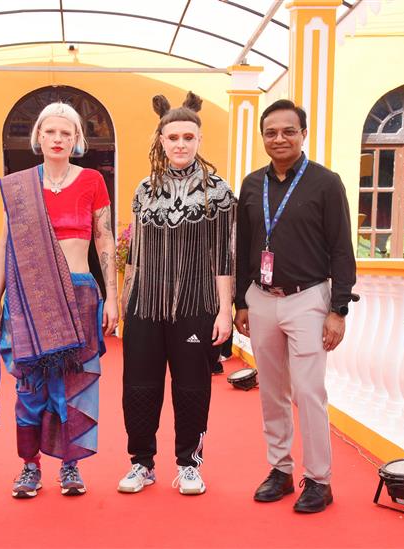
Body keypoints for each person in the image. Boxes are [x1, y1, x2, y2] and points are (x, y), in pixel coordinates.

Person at [0, 102, 118, 499]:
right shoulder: (20, 184)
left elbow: (104, 238)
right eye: (51, 132)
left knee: (73, 383)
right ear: (38, 137)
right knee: (30, 385)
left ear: (77, 139)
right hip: (27, 295)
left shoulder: (93, 179)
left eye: (67, 133)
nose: (58, 139)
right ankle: (29, 466)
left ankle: (70, 465)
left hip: (79, 290)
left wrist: (112, 295)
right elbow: (7, 241)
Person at [233, 99, 356, 514]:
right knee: (271, 392)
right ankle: (280, 470)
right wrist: (241, 302)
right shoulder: (251, 185)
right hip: (262, 299)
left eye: (288, 131)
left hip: (308, 300)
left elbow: (342, 250)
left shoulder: (325, 183)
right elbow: (243, 248)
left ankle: (319, 480)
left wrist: (338, 309)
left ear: (303, 134)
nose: (279, 138)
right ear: (263, 137)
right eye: (271, 132)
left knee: (308, 391)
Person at [118, 92, 236, 496]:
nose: (181, 144)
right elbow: (134, 252)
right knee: (139, 386)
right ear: (161, 140)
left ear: (199, 139)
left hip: (194, 307)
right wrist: (124, 302)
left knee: (191, 389)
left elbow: (224, 255)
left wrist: (224, 311)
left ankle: (189, 464)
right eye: (173, 137)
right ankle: (141, 463)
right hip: (145, 308)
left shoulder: (217, 191)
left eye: (188, 136)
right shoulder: (143, 189)